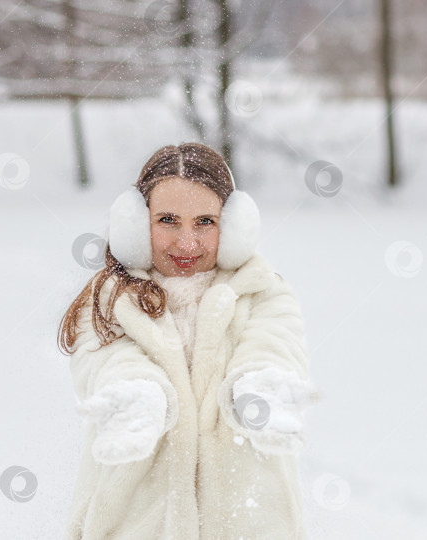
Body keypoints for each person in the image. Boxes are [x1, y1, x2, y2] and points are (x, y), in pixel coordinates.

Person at [58, 142, 322, 539]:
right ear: (135, 224)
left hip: (248, 522)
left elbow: (274, 343)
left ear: (233, 227)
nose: (186, 243)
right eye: (167, 220)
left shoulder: (262, 292)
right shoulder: (110, 301)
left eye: (204, 222)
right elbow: (107, 362)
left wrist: (258, 387)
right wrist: (138, 396)